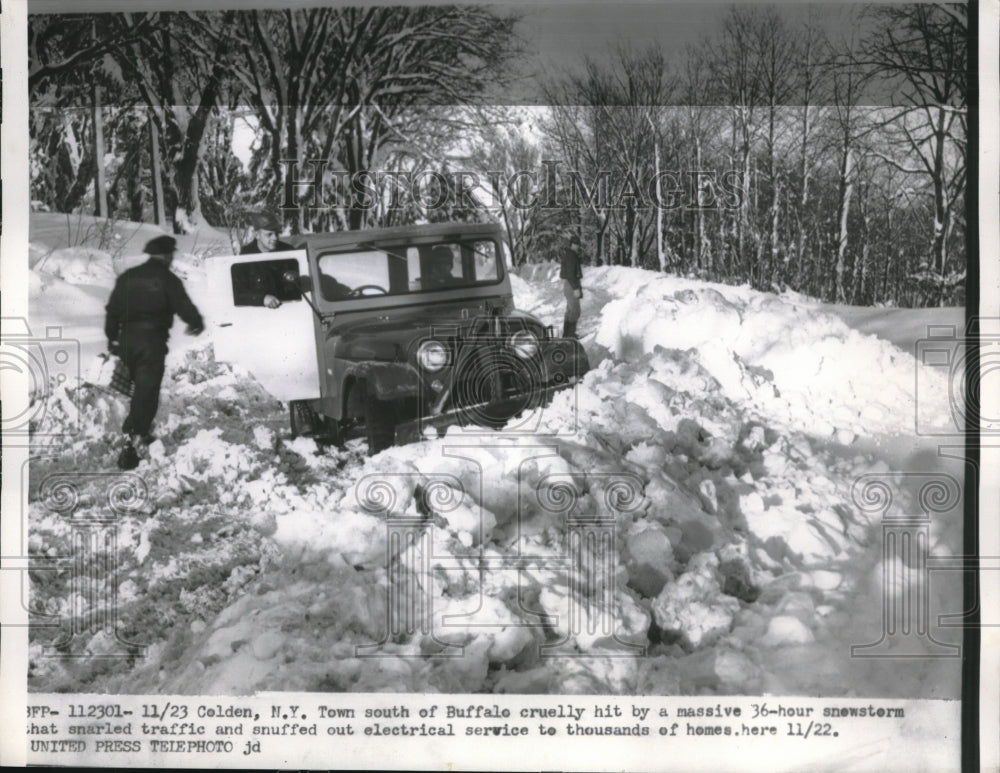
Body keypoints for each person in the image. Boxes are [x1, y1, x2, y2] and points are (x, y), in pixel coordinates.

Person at [105, 235, 204, 469]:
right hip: (151, 343)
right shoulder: (168, 279)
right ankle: (132, 442)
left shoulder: (128, 277)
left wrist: (113, 339)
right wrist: (196, 322)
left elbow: (112, 310)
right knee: (146, 391)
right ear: (167, 256)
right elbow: (184, 306)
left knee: (138, 390)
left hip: (127, 341)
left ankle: (137, 429)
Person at [239, 211, 294, 308]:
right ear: (257, 235)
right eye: (269, 234)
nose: (275, 238)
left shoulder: (288, 252)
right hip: (260, 317)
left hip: (289, 311)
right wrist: (262, 298)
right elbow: (238, 292)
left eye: (277, 233)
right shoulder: (246, 256)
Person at [560, 232, 583, 338]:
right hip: (571, 285)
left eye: (578, 243)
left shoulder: (569, 254)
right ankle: (570, 335)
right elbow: (570, 274)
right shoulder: (571, 255)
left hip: (569, 284)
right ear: (572, 244)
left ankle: (567, 334)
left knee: (570, 311)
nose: (577, 245)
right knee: (575, 311)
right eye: (575, 243)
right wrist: (575, 288)